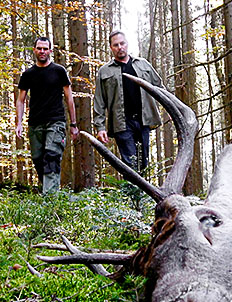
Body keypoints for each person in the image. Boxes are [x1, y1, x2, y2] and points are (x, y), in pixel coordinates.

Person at [15, 37, 79, 194]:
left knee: (51, 157)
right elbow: (20, 100)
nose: (42, 51)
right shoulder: (28, 74)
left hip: (55, 122)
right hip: (35, 123)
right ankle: (50, 194)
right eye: (39, 48)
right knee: (39, 161)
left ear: (50, 51)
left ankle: (49, 201)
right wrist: (19, 123)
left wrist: (73, 124)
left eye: (45, 48)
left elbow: (69, 98)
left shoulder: (59, 71)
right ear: (34, 50)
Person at [93, 30, 163, 172]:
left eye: (122, 43)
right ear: (111, 48)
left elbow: (160, 89)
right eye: (116, 45)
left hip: (144, 121)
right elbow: (99, 101)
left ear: (127, 44)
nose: (120, 47)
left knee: (143, 163)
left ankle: (141, 194)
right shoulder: (104, 71)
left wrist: (174, 110)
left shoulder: (143, 65)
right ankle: (132, 194)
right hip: (121, 123)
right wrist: (100, 128)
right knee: (130, 164)